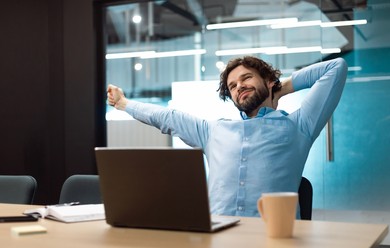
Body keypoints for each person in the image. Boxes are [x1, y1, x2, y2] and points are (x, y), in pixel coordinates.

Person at [107, 56, 348, 217]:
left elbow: (335, 68)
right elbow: (168, 117)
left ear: (267, 80)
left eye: (246, 78)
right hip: (217, 238)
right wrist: (124, 104)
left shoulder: (299, 125)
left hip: (274, 241)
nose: (239, 87)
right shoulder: (213, 131)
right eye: (232, 86)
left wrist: (278, 87)